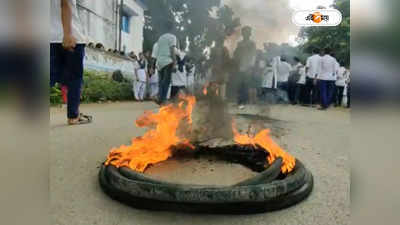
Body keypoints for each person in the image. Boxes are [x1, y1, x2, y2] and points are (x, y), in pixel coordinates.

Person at [50, 0, 92, 125]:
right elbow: (65, 3)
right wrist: (67, 34)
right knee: (74, 79)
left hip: (49, 37)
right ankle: (73, 116)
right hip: (69, 37)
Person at [233, 26, 257, 109]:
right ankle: (240, 102)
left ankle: (244, 102)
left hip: (248, 67)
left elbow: (253, 55)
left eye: (247, 32)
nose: (245, 34)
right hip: (240, 66)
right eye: (244, 32)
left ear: (249, 34)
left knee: (246, 85)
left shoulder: (252, 43)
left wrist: (251, 66)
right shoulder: (239, 43)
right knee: (239, 85)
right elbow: (236, 54)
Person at [155, 20, 177, 105]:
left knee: (160, 82)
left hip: (159, 61)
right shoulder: (172, 37)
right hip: (167, 61)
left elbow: (158, 50)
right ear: (172, 28)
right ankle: (163, 100)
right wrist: (174, 63)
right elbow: (172, 51)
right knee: (166, 82)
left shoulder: (161, 37)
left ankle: (160, 98)